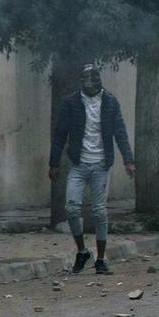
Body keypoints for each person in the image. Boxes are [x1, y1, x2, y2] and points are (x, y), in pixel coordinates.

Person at [49, 65, 135, 275]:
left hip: (101, 165)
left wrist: (128, 160)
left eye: (93, 80)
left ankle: (101, 260)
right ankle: (82, 251)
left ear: (99, 81)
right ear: (81, 83)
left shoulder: (110, 102)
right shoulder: (70, 103)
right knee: (71, 209)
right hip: (78, 164)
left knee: (99, 212)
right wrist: (54, 163)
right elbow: (60, 134)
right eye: (86, 80)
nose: (90, 84)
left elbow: (120, 132)